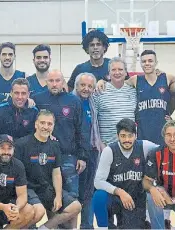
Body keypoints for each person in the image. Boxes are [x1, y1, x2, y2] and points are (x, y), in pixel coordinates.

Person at [15, 110, 82, 229]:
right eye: (42, 123)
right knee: (36, 212)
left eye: (49, 124)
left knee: (76, 207)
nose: (46, 127)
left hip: (46, 189)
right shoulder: (21, 144)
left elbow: (56, 174)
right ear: (36, 124)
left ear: (53, 126)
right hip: (28, 189)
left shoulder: (55, 145)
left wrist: (58, 195)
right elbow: (16, 173)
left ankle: (44, 228)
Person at [32, 70, 89, 200]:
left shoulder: (74, 101)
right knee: (47, 197)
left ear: (63, 82)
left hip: (68, 157)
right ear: (46, 82)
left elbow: (83, 130)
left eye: (57, 81)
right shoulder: (37, 99)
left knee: (72, 197)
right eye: (51, 81)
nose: (54, 84)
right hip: (43, 156)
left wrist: (82, 156)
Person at [93, 118, 160, 229]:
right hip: (115, 198)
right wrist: (119, 192)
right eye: (123, 136)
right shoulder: (109, 151)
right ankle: (104, 227)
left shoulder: (144, 146)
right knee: (99, 196)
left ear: (135, 135)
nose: (127, 140)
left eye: (130, 136)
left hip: (135, 201)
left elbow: (164, 149)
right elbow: (98, 181)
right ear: (117, 136)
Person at [72, 72, 103, 229]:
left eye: (90, 86)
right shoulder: (70, 101)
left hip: (92, 151)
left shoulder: (92, 102)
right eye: (82, 85)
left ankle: (87, 226)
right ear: (76, 86)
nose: (86, 89)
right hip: (75, 153)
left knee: (88, 193)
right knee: (73, 194)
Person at [93, 57, 137, 145]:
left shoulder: (134, 91)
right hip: (106, 146)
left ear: (125, 72)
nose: (117, 72)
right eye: (113, 70)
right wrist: (99, 143)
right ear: (109, 73)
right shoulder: (99, 91)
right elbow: (93, 121)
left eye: (120, 69)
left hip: (130, 146)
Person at [0, 78, 38, 145]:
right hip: (3, 152)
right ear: (11, 93)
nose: (20, 97)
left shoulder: (34, 112)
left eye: (23, 93)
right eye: (16, 93)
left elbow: (37, 135)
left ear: (28, 94)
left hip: (25, 152)